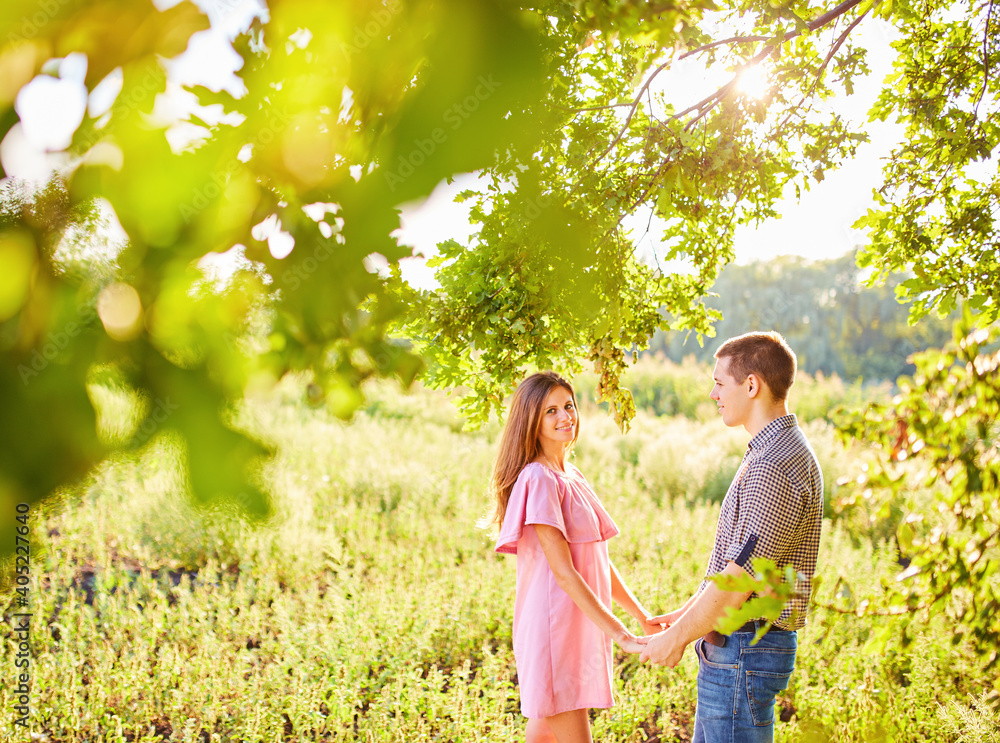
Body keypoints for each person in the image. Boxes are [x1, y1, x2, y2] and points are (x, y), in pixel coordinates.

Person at [639, 331, 823, 743]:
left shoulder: (774, 463)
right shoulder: (772, 451)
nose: (712, 393)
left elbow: (742, 579)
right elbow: (736, 564)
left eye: (720, 382)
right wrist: (686, 617)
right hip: (738, 650)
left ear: (752, 385)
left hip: (744, 652)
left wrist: (676, 639)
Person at [490, 371, 655, 743]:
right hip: (554, 634)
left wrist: (641, 617)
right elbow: (563, 573)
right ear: (531, 420)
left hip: (576, 628)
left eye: (568, 406)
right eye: (551, 411)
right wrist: (620, 634)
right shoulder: (538, 479)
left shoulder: (571, 474)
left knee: (544, 733)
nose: (565, 416)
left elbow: (596, 560)